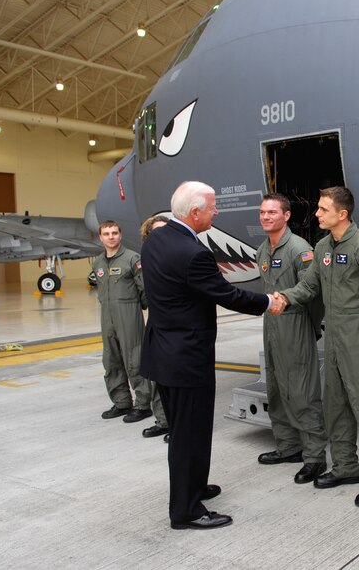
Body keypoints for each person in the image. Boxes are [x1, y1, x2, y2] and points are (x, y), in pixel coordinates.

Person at [140, 181, 274, 530]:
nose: (217, 212)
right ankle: (185, 511)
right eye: (213, 207)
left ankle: (195, 486)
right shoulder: (193, 253)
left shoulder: (156, 238)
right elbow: (227, 295)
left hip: (162, 352)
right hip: (186, 357)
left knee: (189, 430)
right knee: (189, 435)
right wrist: (270, 301)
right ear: (195, 213)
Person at [274, 186, 359, 508]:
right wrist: (286, 297)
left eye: (323, 210)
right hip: (335, 334)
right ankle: (346, 467)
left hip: (358, 332)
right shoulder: (322, 247)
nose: (316, 214)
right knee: (336, 404)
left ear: (342, 214)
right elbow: (310, 285)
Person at [255, 193, 328, 484]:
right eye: (262, 212)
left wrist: (309, 327)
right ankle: (288, 447)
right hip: (271, 325)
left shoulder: (300, 250)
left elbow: (313, 293)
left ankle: (314, 457)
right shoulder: (262, 250)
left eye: (272, 212)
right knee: (275, 389)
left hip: (295, 324)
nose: (266, 217)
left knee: (302, 392)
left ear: (286, 216)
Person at [93, 220, 151, 424]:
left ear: (120, 235)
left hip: (128, 314)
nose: (111, 237)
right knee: (111, 360)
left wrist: (138, 309)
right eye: (106, 234)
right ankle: (122, 402)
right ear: (101, 237)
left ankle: (143, 405)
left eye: (114, 233)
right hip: (106, 315)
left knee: (134, 359)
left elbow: (144, 288)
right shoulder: (98, 262)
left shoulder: (132, 259)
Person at [138, 215, 170, 439]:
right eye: (154, 233)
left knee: (172, 379)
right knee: (157, 375)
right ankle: (163, 421)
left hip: (175, 328)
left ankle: (176, 425)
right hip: (156, 323)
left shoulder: (178, 257)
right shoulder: (147, 258)